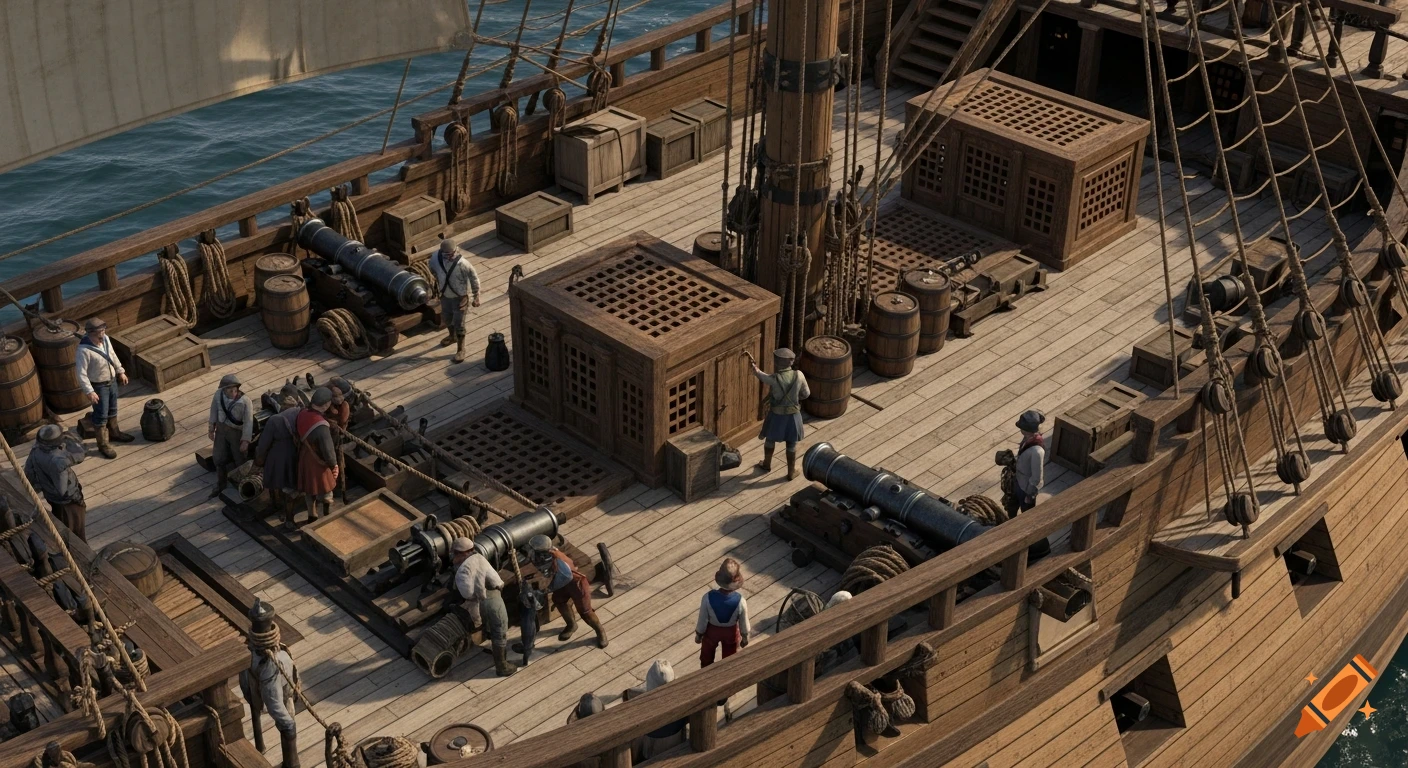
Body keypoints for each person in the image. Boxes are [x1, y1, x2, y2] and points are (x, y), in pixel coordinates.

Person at [450, 536, 516, 677]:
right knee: (500, 630)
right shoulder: (480, 558)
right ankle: (502, 666)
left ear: (461, 553)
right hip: (493, 599)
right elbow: (497, 580)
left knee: (491, 628)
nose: (453, 555)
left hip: (477, 604)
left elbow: (466, 593)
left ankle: (499, 661)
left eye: (455, 553)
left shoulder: (462, 570)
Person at [528, 535, 608, 649]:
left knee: (585, 611)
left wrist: (547, 589)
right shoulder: (545, 554)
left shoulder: (558, 558)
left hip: (576, 584)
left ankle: (600, 632)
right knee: (559, 601)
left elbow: (566, 576)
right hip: (562, 582)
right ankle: (571, 625)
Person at [74, 318, 132, 459]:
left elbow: (112, 355)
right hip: (99, 386)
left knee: (113, 409)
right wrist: (90, 391)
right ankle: (103, 444)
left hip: (111, 382)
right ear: (92, 333)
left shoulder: (105, 339)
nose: (103, 332)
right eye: (101, 330)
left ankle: (114, 433)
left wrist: (120, 371)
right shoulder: (83, 351)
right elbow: (81, 374)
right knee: (100, 415)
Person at [750, 348, 810, 479]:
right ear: (791, 362)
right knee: (791, 443)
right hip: (793, 416)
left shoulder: (774, 378)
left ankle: (766, 464)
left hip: (776, 415)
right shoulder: (799, 375)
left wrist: (755, 370)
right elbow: (806, 394)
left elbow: (762, 376)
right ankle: (791, 472)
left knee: (770, 439)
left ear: (777, 363)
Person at [23, 425, 87, 540]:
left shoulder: (35, 451)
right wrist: (69, 441)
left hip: (50, 496)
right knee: (75, 527)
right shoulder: (58, 461)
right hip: (68, 501)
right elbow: (62, 491)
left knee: (61, 520)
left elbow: (29, 472)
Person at [429, 239, 482, 364]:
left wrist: (476, 296)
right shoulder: (435, 258)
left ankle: (460, 349)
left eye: (452, 253)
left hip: (460, 297)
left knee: (459, 324)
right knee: (447, 318)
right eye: (447, 255)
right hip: (445, 296)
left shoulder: (463, 264)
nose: (450, 257)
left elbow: (474, 279)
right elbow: (431, 268)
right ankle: (452, 336)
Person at [623, 660, 687, 760]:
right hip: (679, 747)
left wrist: (628, 693)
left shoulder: (643, 709)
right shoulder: (682, 701)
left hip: (651, 754)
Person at [256, 395, 301, 530]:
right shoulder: (300, 413)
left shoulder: (275, 420)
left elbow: (263, 445)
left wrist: (258, 461)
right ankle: (289, 518)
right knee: (290, 487)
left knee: (276, 481)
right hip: (296, 454)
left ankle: (276, 505)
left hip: (278, 456)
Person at [695, 558, 750, 668]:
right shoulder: (740, 601)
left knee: (707, 656)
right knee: (729, 659)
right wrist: (745, 637)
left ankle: (705, 674)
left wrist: (699, 634)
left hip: (712, 631)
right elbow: (744, 622)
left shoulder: (707, 598)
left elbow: (702, 619)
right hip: (731, 631)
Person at [295, 388, 339, 522]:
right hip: (318, 461)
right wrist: (334, 465)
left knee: (310, 490)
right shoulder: (321, 426)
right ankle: (327, 515)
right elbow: (328, 451)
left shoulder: (302, 413)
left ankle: (312, 515)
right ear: (326, 405)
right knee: (327, 490)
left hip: (305, 456)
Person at [207, 374, 254, 499]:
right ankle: (221, 483)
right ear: (224, 389)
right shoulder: (218, 395)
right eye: (230, 389)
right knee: (219, 457)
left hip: (236, 432)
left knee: (240, 459)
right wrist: (211, 428)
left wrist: (245, 440)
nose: (233, 392)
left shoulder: (245, 401)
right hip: (222, 430)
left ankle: (243, 485)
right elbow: (213, 411)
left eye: (235, 389)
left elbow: (248, 422)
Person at [1014, 409, 1051, 559]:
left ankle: (1032, 543)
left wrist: (1030, 493)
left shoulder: (1037, 450)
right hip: (1019, 481)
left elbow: (1037, 477)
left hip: (1026, 488)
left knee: (1027, 515)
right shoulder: (1027, 440)